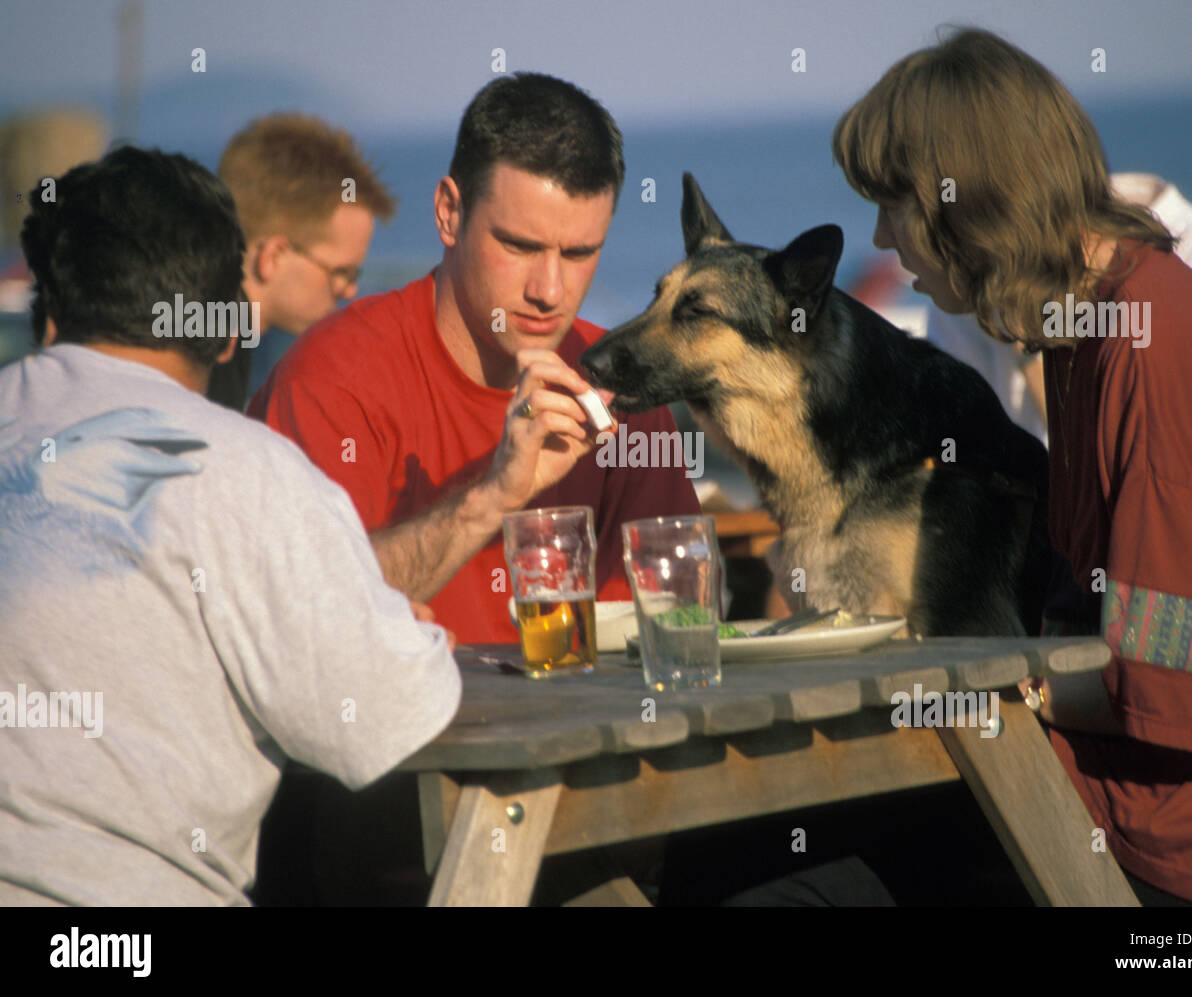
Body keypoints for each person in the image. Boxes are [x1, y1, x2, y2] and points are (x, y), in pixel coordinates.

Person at [833, 28, 1192, 906]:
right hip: (1130, 805)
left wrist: (1014, 685)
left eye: (896, 205)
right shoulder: (1093, 327)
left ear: (966, 206)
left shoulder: (1158, 353)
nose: (882, 236)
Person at [0, 147, 460, 905]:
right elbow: (387, 715)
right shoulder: (246, 470)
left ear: (51, 313)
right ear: (223, 331)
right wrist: (394, 630)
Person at [249, 74, 701, 644]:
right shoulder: (333, 379)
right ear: (448, 214)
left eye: (580, 253)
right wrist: (491, 501)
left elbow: (673, 623)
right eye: (520, 246)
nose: (550, 290)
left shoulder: (619, 385)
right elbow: (300, 612)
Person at [913, 172, 1192, 445]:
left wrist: (1031, 350)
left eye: (896, 207)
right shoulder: (968, 281)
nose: (881, 236)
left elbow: (1151, 493)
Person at [206, 113, 396, 410]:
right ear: (273, 256)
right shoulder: (216, 350)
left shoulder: (196, 322)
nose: (349, 291)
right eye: (341, 272)